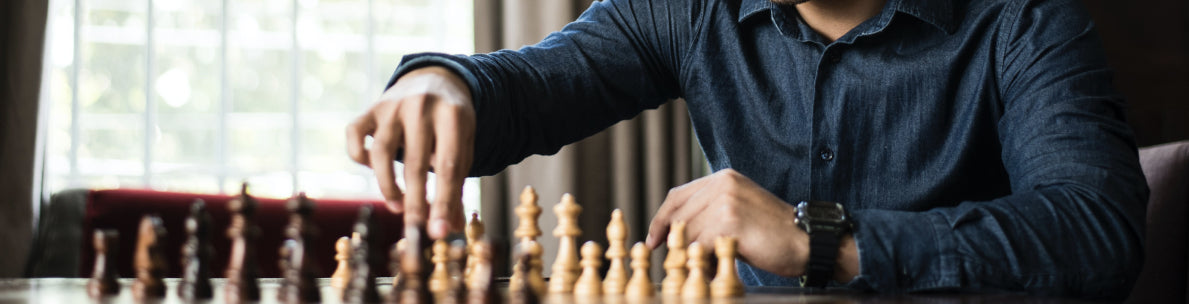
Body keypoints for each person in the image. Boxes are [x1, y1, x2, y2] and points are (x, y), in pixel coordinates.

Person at [345, 0, 1148, 299]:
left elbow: (1097, 229)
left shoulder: (1026, 20)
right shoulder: (692, 10)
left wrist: (824, 242)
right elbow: (536, 86)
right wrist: (444, 82)